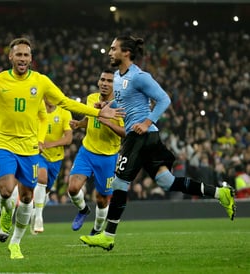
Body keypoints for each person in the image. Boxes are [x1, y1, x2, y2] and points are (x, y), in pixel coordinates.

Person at [0, 37, 125, 259]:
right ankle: (6, 214)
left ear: (31, 59)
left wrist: (97, 113)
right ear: (11, 56)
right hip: (5, 144)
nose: (22, 58)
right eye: (18, 54)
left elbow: (66, 102)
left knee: (27, 197)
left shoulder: (41, 81)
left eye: (26, 55)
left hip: (29, 149)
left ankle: (15, 243)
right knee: (7, 190)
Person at [80, 35, 237, 251]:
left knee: (119, 183)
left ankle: (107, 236)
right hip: (144, 137)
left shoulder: (140, 76)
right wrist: (106, 104)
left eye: (113, 48)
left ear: (126, 52)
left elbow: (164, 99)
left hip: (140, 135)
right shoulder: (117, 76)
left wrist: (146, 122)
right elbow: (124, 99)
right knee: (167, 182)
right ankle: (220, 193)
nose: (109, 52)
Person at [68, 69, 125, 235]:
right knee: (72, 188)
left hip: (108, 157)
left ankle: (97, 229)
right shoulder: (91, 98)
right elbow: (90, 119)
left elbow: (125, 132)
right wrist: (79, 124)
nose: (105, 83)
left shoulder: (121, 106)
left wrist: (108, 122)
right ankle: (83, 210)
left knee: (102, 199)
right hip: (87, 152)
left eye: (109, 81)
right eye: (103, 80)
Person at [30, 98, 73, 234]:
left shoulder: (64, 113)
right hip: (38, 153)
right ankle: (39, 218)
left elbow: (68, 138)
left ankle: (35, 212)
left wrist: (50, 144)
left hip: (56, 158)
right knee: (41, 179)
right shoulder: (36, 109)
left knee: (46, 192)